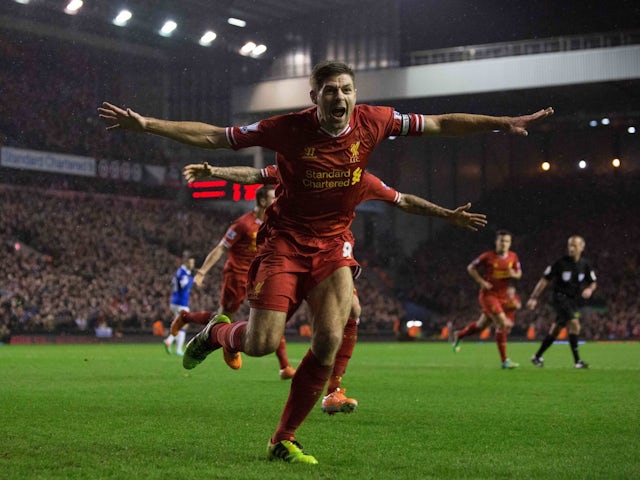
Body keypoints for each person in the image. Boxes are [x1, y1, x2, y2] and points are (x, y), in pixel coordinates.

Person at [99, 59, 553, 464]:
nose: (340, 96)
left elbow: (441, 123)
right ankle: (216, 333)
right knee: (260, 343)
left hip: (334, 245)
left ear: (356, 95)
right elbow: (217, 137)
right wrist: (147, 124)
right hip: (284, 242)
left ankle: (284, 438)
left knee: (329, 337)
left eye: (346, 89)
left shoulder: (375, 121)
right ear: (314, 97)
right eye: (330, 90)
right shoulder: (287, 128)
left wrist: (502, 122)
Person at [183, 161, 489, 414]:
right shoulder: (300, 167)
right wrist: (214, 172)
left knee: (353, 309)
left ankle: (334, 391)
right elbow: (255, 174)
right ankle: (216, 334)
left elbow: (404, 200)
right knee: (260, 342)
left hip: (329, 255)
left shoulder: (360, 178)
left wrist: (446, 214)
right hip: (285, 255)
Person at [171, 185, 298, 379]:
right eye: (273, 198)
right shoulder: (243, 224)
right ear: (262, 201)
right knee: (222, 319)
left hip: (260, 276)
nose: (277, 201)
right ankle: (190, 320)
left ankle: (284, 367)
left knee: (272, 316)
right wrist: (202, 271)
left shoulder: (274, 223)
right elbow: (221, 248)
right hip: (237, 276)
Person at [453, 230, 522, 369]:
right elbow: (471, 267)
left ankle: (460, 334)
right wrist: (481, 282)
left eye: (507, 241)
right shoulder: (488, 256)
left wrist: (514, 274)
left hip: (502, 297)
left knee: (481, 326)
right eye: (501, 241)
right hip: (488, 295)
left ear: (510, 243)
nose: (504, 244)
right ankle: (504, 361)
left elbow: (519, 274)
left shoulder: (513, 257)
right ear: (496, 242)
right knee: (502, 324)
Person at [527, 235, 596, 368]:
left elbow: (593, 282)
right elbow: (544, 280)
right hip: (559, 298)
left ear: (582, 247)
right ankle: (577, 362)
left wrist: (589, 289)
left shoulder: (584, 264)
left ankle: (537, 356)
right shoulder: (560, 263)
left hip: (572, 300)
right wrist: (533, 297)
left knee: (556, 330)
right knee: (575, 325)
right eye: (570, 245)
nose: (571, 248)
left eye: (575, 245)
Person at [163, 251, 195, 356]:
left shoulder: (180, 271)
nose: (192, 265)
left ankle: (172, 344)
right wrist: (192, 279)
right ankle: (173, 344)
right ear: (186, 262)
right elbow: (184, 285)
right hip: (181, 302)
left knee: (180, 324)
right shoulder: (183, 273)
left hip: (175, 301)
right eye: (191, 263)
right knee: (184, 325)